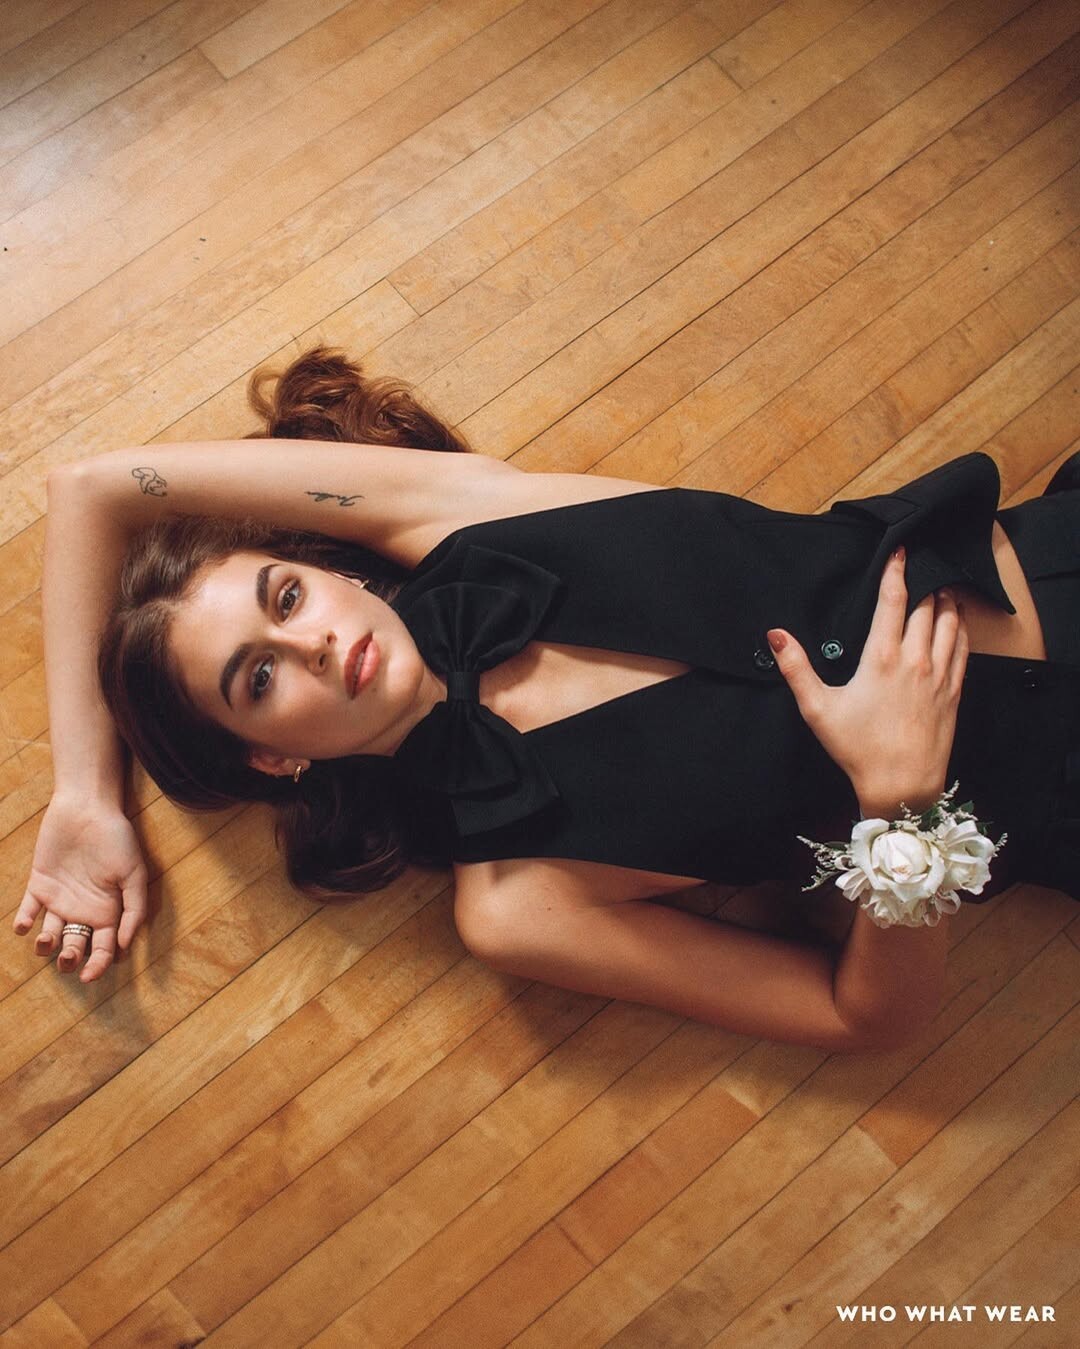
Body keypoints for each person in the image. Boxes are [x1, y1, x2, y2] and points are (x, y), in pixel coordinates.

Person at [15, 347, 1080, 1050]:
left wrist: (85, 795)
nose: (311, 642)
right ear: (270, 757)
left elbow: (91, 489)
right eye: (257, 677)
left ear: (326, 571)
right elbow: (865, 1017)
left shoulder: (455, 516)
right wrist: (902, 810)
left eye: (286, 595)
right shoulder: (517, 903)